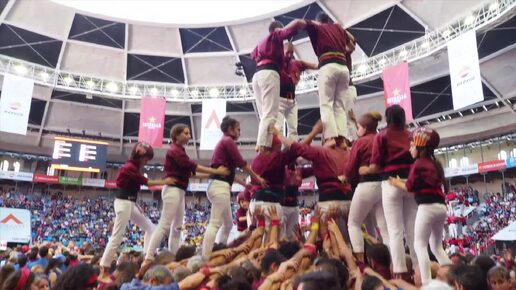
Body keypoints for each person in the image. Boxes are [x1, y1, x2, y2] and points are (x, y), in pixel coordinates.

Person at [144, 124, 230, 263]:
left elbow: (191, 173)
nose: (189, 135)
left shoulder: (180, 151)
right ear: (176, 136)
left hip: (179, 190)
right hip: (173, 190)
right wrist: (215, 172)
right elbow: (193, 166)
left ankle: (173, 257)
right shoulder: (174, 151)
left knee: (177, 227)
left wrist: (212, 175)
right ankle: (148, 257)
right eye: (185, 133)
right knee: (165, 225)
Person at [99, 142, 175, 281]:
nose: (146, 162)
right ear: (140, 156)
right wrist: (166, 181)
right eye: (146, 159)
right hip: (124, 204)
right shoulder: (129, 167)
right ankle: (103, 271)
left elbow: (131, 187)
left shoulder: (132, 167)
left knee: (151, 228)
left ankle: (146, 258)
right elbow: (147, 183)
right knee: (116, 237)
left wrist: (135, 203)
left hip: (129, 203)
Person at [360, 104, 416, 280]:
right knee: (412, 229)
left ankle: (399, 271)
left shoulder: (382, 136)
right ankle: (418, 270)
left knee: (394, 230)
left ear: (387, 118)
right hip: (409, 183)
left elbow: (375, 166)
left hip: (391, 182)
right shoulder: (411, 135)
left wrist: (364, 170)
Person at [390, 127, 452, 285]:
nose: (410, 148)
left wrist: (396, 182)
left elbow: (409, 187)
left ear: (419, 147)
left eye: (411, 146)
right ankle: (452, 276)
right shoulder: (433, 163)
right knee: (437, 246)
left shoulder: (418, 164)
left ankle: (426, 283)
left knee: (420, 245)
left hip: (427, 208)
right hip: (440, 208)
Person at [201, 116, 267, 256]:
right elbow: (241, 163)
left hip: (219, 185)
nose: (240, 132)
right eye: (238, 129)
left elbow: (230, 173)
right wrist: (258, 178)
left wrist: (246, 185)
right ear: (230, 129)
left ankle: (219, 249)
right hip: (220, 186)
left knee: (228, 224)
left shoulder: (224, 142)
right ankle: (205, 256)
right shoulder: (228, 141)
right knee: (215, 224)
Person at [290, 12, 355, 144]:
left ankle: (330, 138)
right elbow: (352, 45)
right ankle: (342, 140)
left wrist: (284, 31)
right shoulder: (338, 28)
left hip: (328, 66)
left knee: (326, 105)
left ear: (319, 21)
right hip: (343, 69)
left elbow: (298, 22)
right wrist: (342, 50)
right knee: (340, 106)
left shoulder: (317, 26)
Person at [251, 20, 304, 152]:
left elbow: (252, 55)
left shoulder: (261, 43)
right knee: (270, 114)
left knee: (264, 114)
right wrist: (297, 25)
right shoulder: (275, 36)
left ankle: (260, 145)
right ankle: (264, 146)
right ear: (276, 29)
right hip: (270, 73)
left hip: (257, 74)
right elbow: (286, 32)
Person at [346, 112, 389, 262]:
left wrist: (348, 179)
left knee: (353, 223)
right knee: (382, 228)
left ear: (363, 128)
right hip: (383, 186)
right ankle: (388, 262)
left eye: (358, 127)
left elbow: (351, 168)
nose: (357, 130)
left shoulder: (361, 142)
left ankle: (360, 261)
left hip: (366, 185)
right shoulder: (382, 139)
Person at [276, 42, 318, 141]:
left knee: (294, 129)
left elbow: (316, 66)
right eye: (287, 53)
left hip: (292, 101)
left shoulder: (296, 63)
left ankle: (292, 151)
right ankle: (278, 152)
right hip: (279, 100)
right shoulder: (276, 64)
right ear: (282, 51)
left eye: (292, 53)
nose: (290, 55)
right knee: (278, 128)